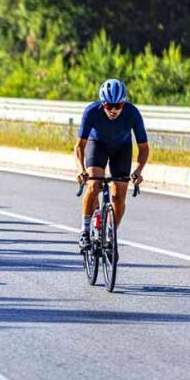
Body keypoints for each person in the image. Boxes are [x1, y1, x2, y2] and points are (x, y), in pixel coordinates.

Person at [74, 79, 149, 251]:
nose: (114, 110)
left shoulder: (132, 113)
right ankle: (85, 231)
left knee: (119, 195)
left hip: (121, 149)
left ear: (124, 104)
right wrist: (81, 169)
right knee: (94, 184)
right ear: (102, 104)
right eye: (109, 106)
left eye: (118, 106)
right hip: (97, 145)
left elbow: (144, 148)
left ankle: (110, 234)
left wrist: (138, 171)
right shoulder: (91, 112)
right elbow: (79, 146)